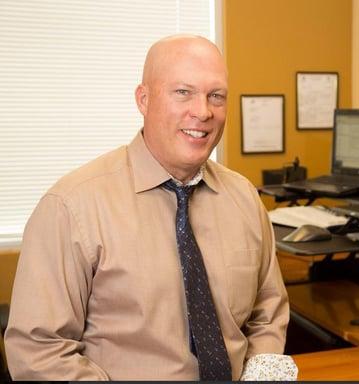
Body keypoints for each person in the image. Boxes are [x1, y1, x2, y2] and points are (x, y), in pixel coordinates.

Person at [4, 35, 291, 380]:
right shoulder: (71, 206)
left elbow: (268, 312)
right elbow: (39, 352)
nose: (202, 111)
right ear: (144, 99)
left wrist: (261, 369)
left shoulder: (244, 197)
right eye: (183, 92)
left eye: (216, 96)